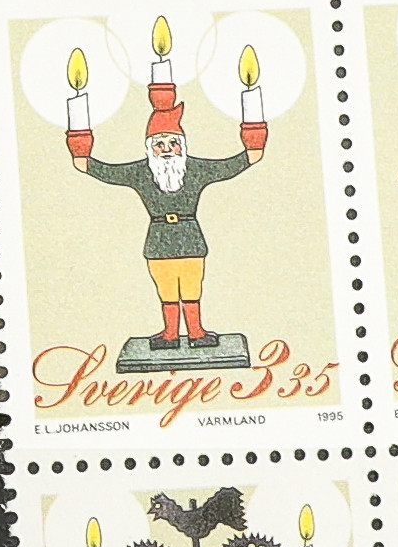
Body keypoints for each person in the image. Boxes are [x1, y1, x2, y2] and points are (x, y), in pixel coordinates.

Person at [69, 79, 266, 350]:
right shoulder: (141, 173)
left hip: (190, 239)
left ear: (182, 146)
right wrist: (81, 152)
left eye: (173, 143)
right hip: (158, 242)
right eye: (159, 144)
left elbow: (232, 165)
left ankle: (196, 333)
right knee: (166, 290)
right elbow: (105, 172)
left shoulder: (195, 169)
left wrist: (254, 144)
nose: (166, 150)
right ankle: (170, 334)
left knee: (192, 288)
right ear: (150, 148)